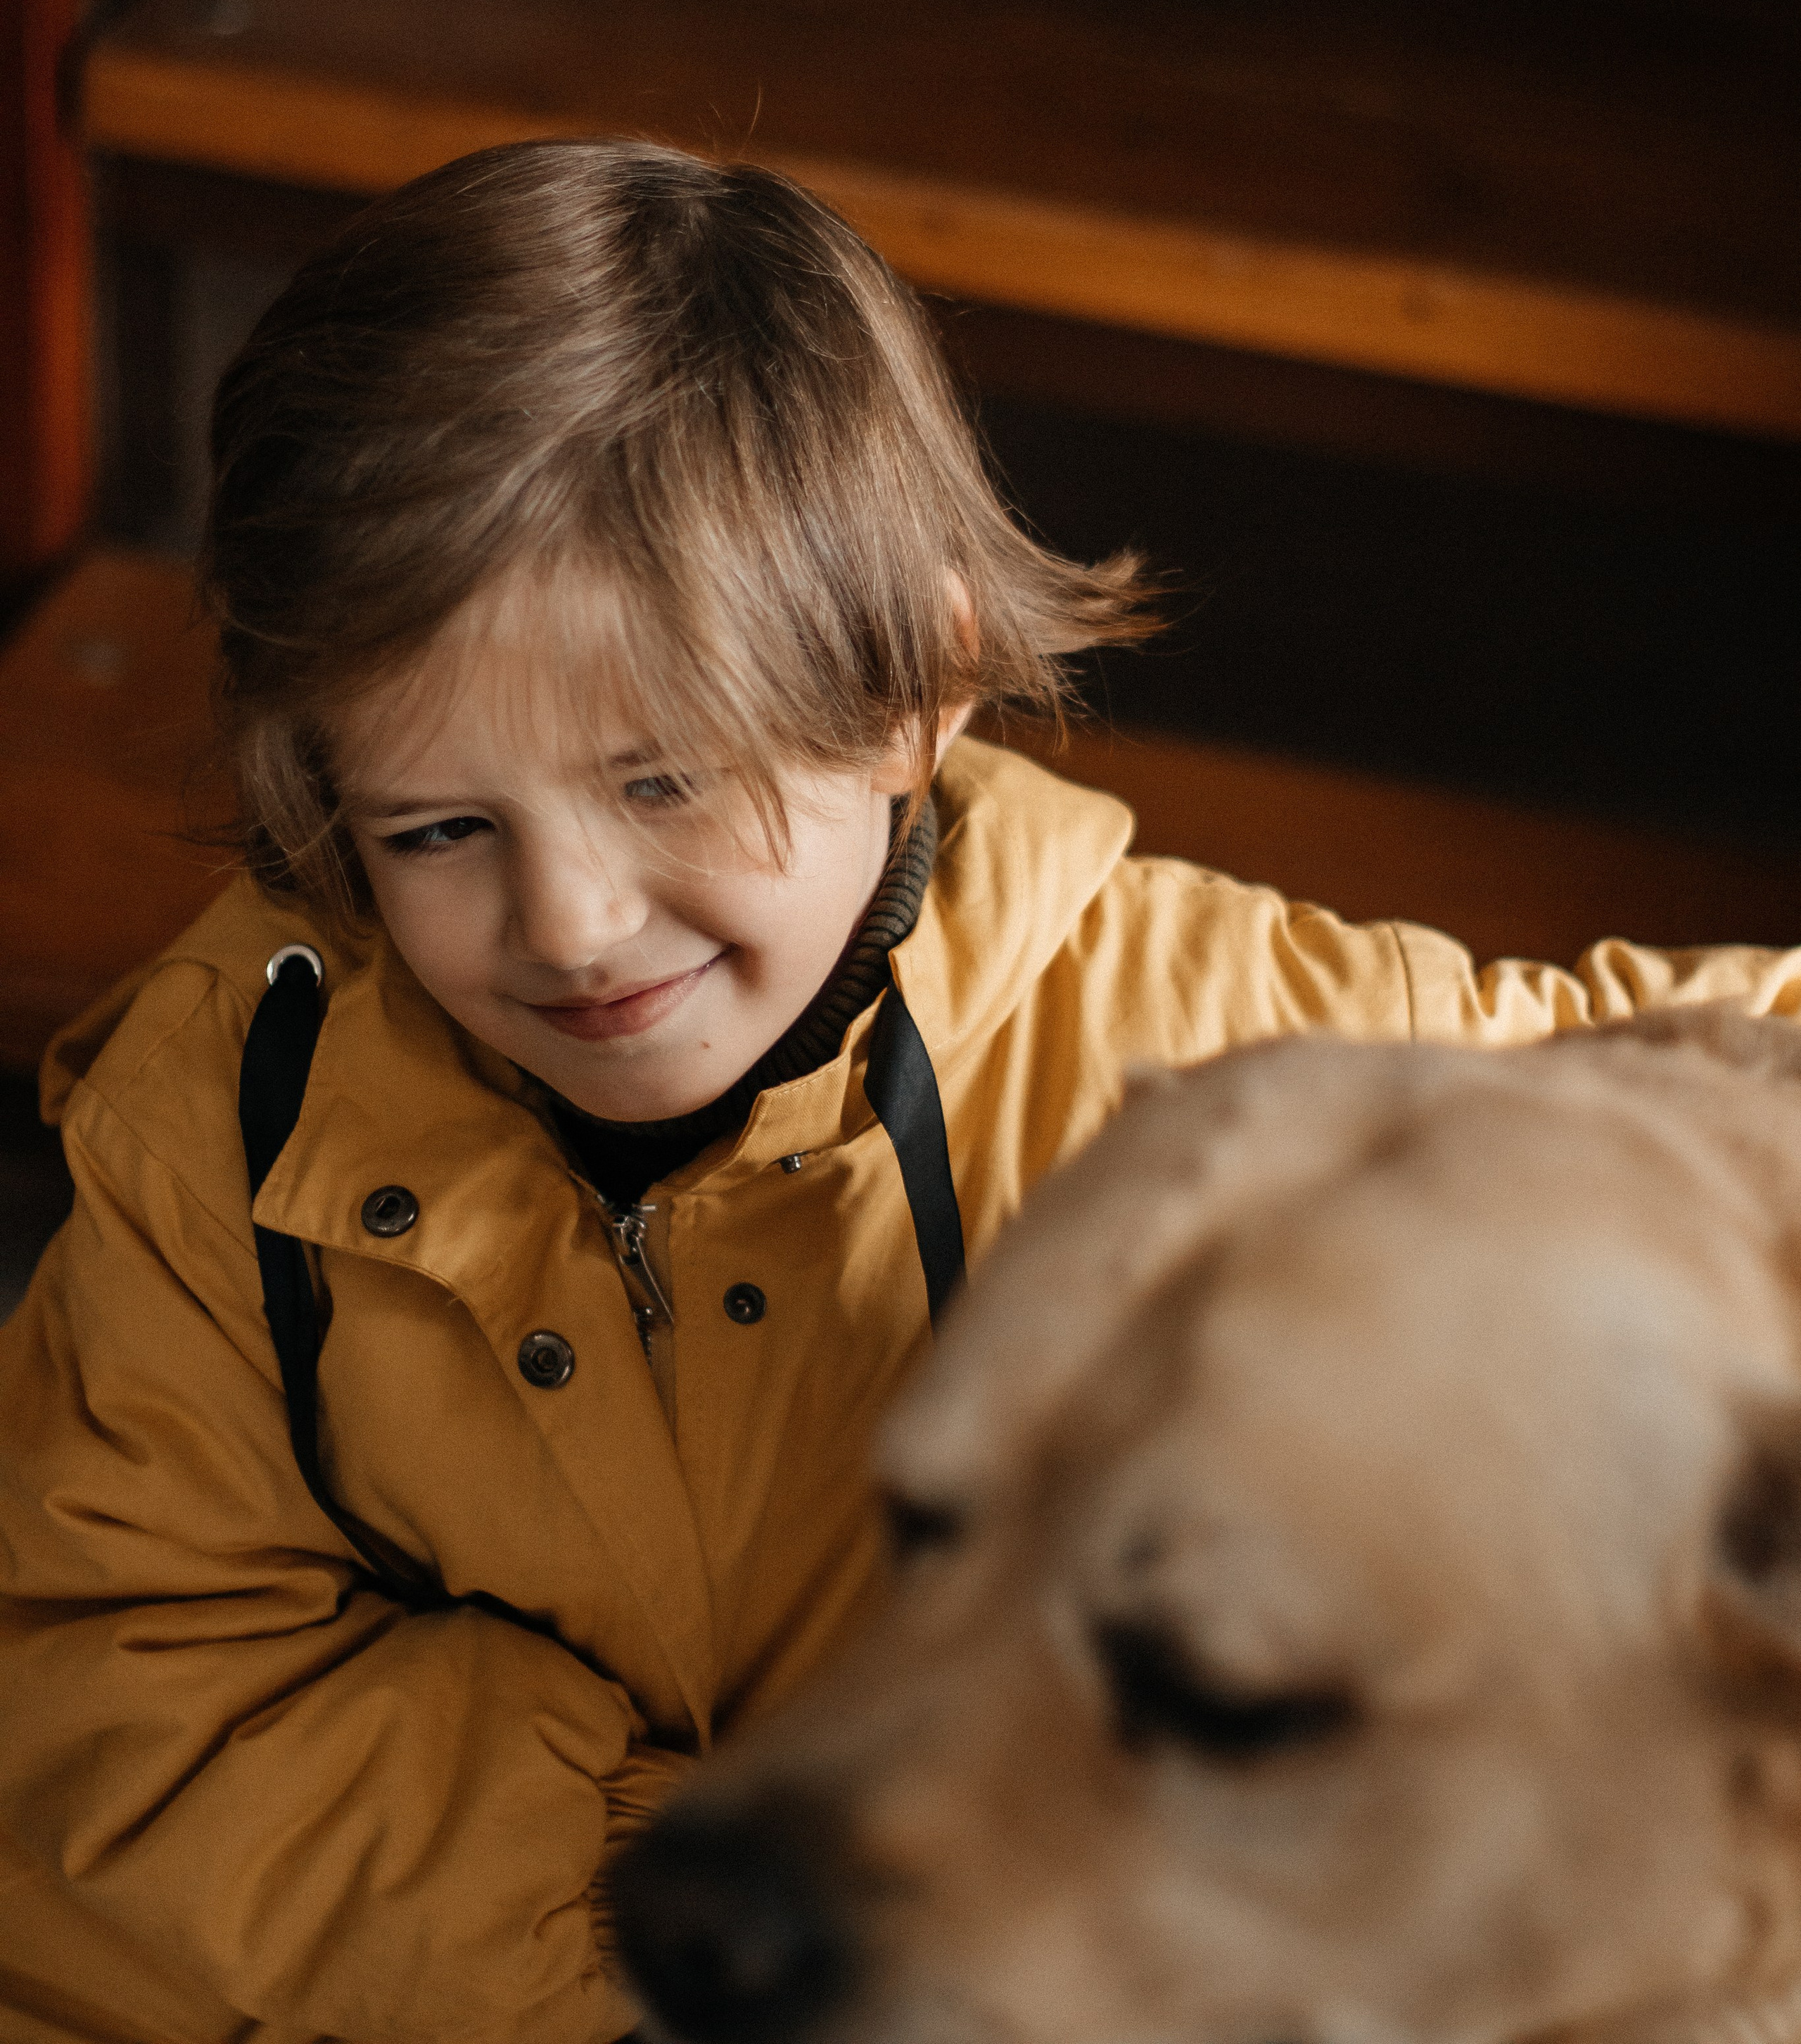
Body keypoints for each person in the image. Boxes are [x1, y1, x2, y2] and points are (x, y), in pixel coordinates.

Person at [1, 141, 1796, 2044]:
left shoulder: (1239, 1054)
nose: (574, 921)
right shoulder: (225, 1108)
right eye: (440, 826)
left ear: (917, 688)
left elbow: (1718, 1059)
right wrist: (665, 1904)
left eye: (665, 780)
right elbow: (120, 1703)